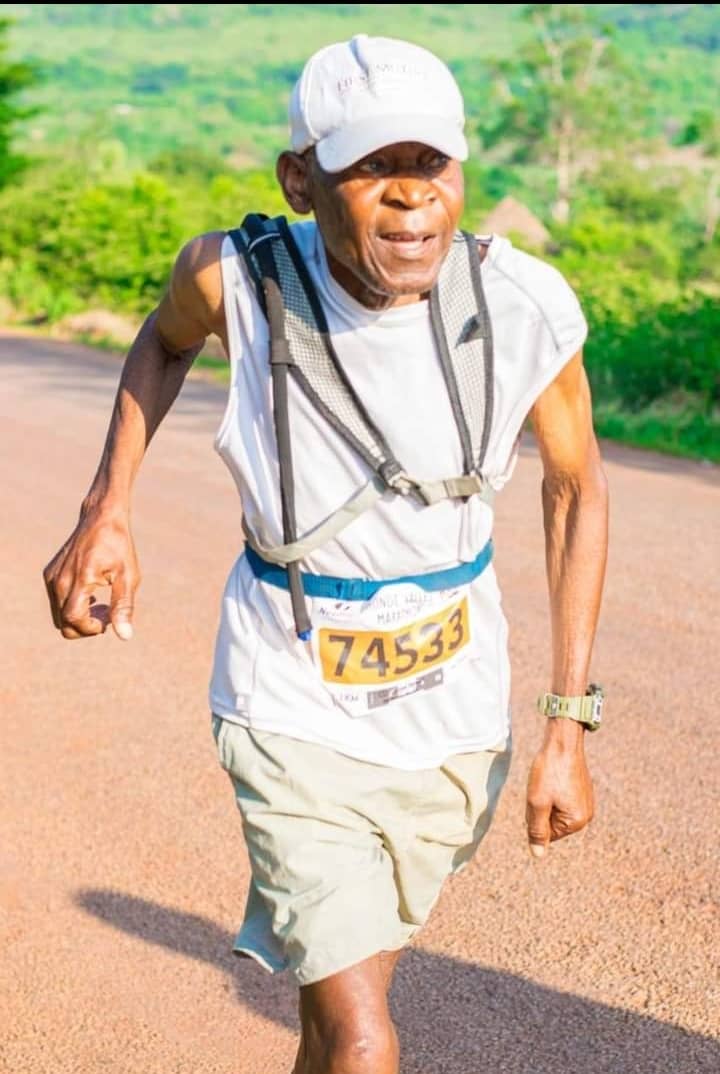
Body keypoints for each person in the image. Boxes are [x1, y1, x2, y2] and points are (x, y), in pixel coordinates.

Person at [43, 33, 609, 1074]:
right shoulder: (233, 280)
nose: (410, 199)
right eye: (370, 168)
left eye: (431, 164)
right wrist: (105, 504)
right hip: (288, 698)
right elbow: (162, 343)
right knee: (363, 1036)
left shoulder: (522, 307)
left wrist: (567, 722)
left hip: (453, 711)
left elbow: (576, 491)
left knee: (331, 1017)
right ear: (299, 180)